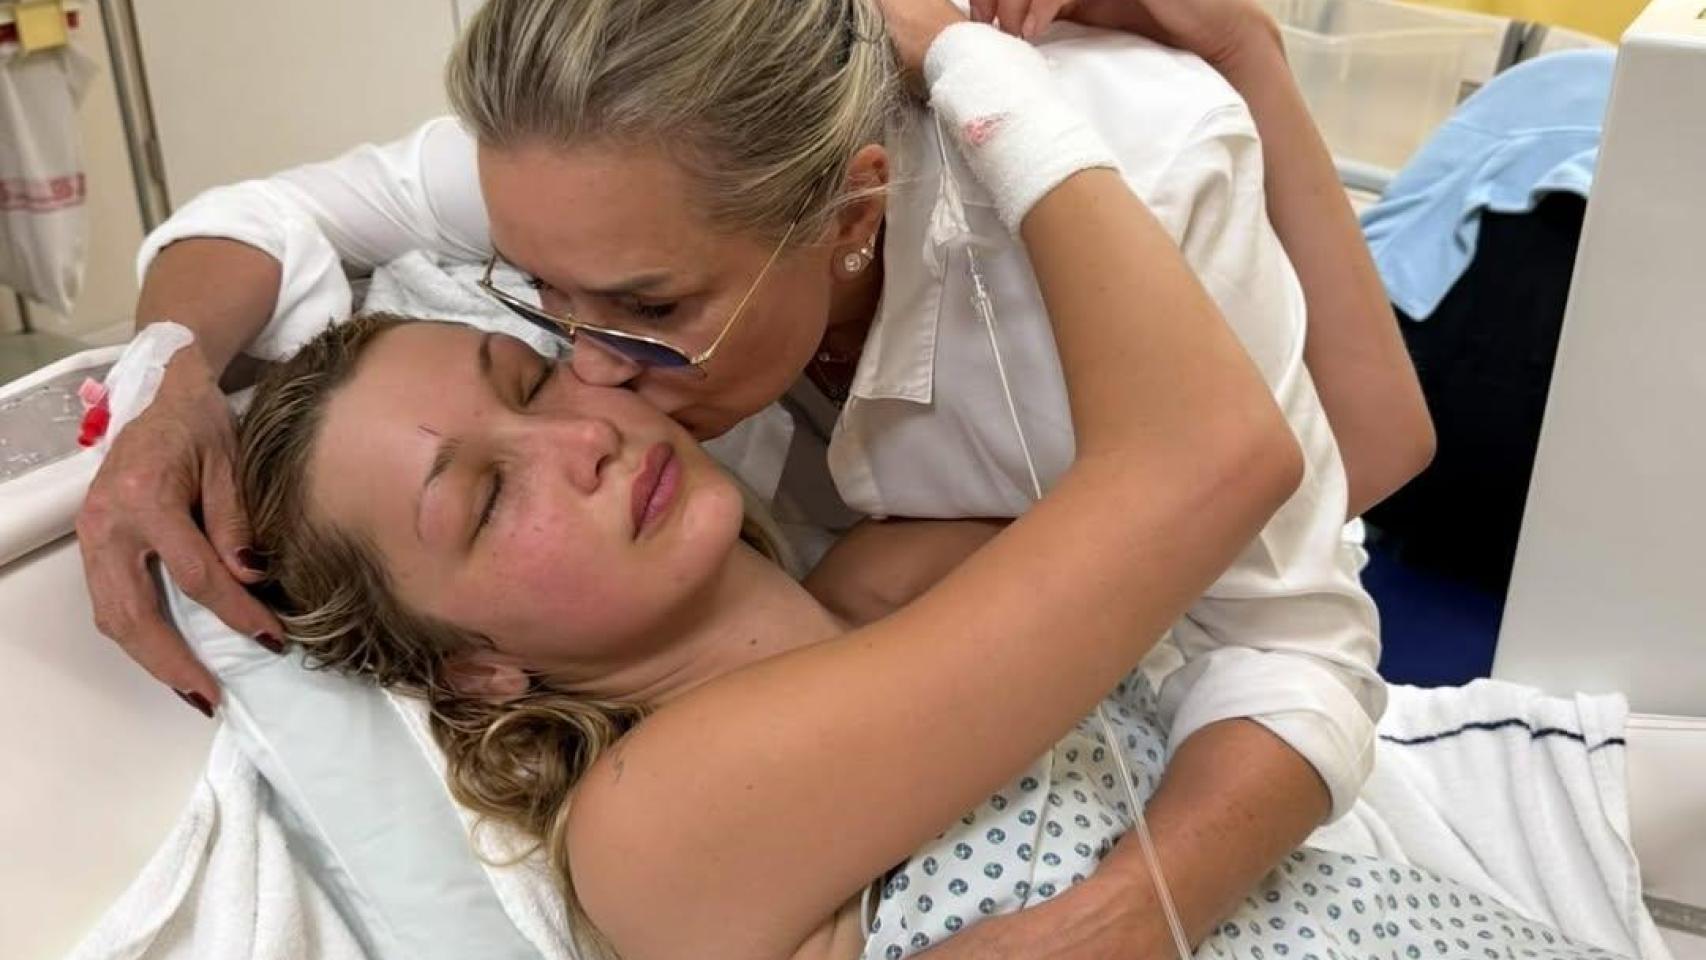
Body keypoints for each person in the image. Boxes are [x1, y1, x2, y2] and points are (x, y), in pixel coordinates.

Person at [75, 0, 1432, 953]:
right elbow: (1206, 458)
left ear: (848, 221)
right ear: (474, 668)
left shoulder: (890, 567)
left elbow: (1297, 533)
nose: (593, 401)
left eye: (529, 373)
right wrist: (163, 373)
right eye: (487, 499)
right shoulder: (651, 825)